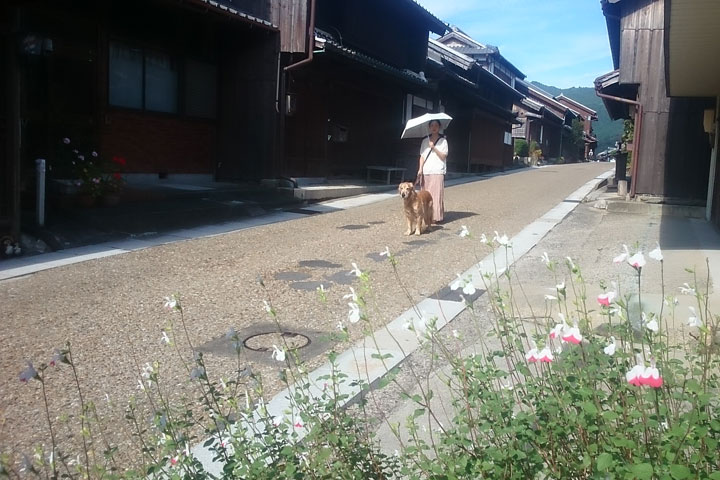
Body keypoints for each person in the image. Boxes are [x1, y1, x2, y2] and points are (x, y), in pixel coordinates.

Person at [416, 119, 448, 224]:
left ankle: (435, 216)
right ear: (429, 127)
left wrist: (434, 148)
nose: (434, 127)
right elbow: (422, 156)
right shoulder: (425, 141)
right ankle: (425, 216)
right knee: (425, 196)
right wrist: (420, 168)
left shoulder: (443, 141)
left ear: (439, 127)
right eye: (432, 125)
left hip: (437, 171)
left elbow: (443, 156)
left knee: (436, 195)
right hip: (426, 171)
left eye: (436, 125)